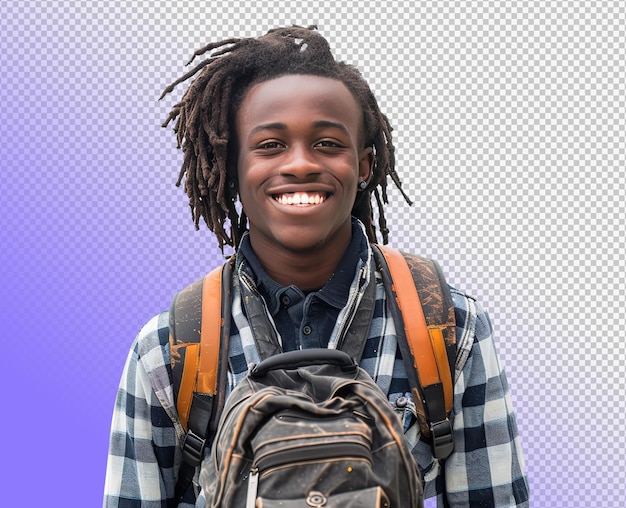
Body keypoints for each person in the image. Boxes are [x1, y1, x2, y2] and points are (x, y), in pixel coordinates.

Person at [103, 25, 529, 507]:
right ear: (232, 165)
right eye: (270, 145)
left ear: (365, 166)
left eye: (327, 143)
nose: (301, 164)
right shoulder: (169, 350)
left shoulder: (447, 329)